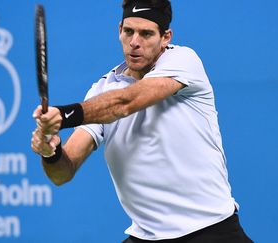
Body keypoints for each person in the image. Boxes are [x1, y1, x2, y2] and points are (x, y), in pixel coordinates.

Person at [31, 0, 253, 242]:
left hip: (211, 230)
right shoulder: (102, 91)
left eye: (146, 33)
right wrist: (50, 152)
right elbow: (63, 174)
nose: (135, 42)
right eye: (129, 31)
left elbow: (125, 103)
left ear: (165, 37)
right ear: (119, 31)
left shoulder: (183, 61)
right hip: (145, 236)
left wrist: (64, 116)